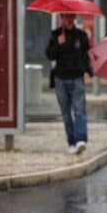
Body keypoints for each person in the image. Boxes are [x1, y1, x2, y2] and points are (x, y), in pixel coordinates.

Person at [45, 13, 92, 154]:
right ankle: (71, 141)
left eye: (71, 17)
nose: (69, 20)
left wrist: (88, 71)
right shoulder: (56, 35)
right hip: (60, 78)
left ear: (74, 18)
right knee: (66, 113)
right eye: (66, 17)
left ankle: (81, 139)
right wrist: (58, 44)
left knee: (79, 110)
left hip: (77, 78)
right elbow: (49, 55)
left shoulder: (81, 36)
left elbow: (86, 55)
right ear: (61, 18)